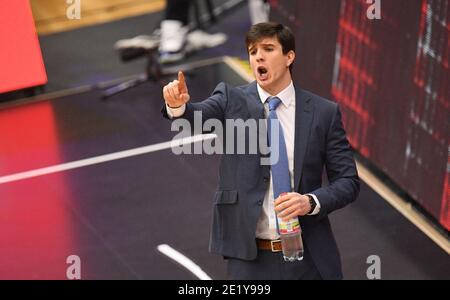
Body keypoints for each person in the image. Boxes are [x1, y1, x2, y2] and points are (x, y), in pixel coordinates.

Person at [161, 22, 360, 280]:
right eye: (253, 51)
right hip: (251, 260)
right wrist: (177, 108)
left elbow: (348, 182)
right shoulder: (231, 100)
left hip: (310, 257)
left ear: (290, 57)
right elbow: (195, 116)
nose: (259, 57)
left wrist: (310, 202)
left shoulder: (323, 113)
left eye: (268, 49)